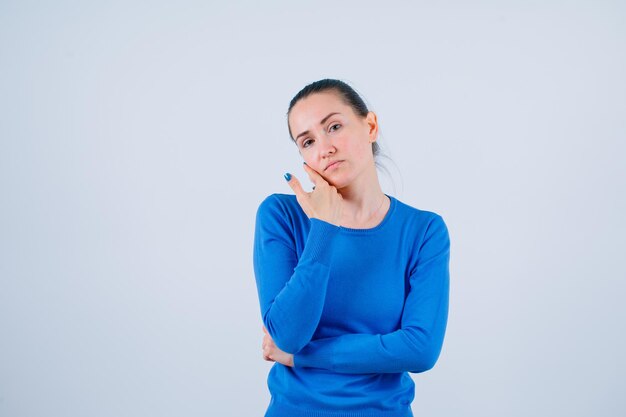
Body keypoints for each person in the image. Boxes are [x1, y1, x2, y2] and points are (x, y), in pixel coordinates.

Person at [252, 79, 451, 417]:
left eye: (334, 126)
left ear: (370, 126)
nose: (325, 147)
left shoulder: (423, 230)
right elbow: (286, 335)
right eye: (308, 141)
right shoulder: (280, 216)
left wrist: (304, 357)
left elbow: (420, 349)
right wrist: (324, 228)